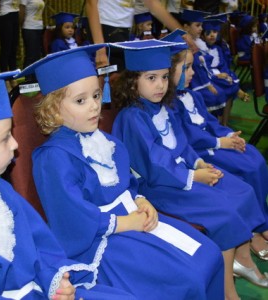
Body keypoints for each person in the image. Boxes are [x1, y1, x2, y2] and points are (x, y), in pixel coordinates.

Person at [17, 43, 225, 300]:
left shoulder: (104, 141)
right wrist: (126, 222)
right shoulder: (53, 157)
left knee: (208, 253)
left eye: (95, 95)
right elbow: (72, 218)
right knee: (185, 277)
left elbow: (127, 183)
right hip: (99, 241)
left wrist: (140, 199)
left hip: (131, 218)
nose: (94, 106)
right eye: (80, 100)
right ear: (52, 110)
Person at [110, 38, 268, 299]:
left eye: (163, 77)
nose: (160, 84)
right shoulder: (133, 117)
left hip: (182, 174)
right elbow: (154, 163)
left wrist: (198, 162)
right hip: (160, 187)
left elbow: (181, 143)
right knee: (224, 212)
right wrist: (193, 175)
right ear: (132, 82)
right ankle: (228, 290)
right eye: (151, 78)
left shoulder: (163, 107)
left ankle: (238, 260)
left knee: (239, 189)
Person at [0, 70, 137, 300]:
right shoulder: (50, 158)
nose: (16, 144)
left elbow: (40, 244)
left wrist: (55, 282)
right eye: (5, 137)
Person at [167, 34, 268, 263]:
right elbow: (189, 136)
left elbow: (210, 123)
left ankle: (261, 220)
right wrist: (220, 143)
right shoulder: (170, 105)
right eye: (188, 68)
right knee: (245, 168)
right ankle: (251, 233)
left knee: (254, 157)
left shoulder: (192, 95)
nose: (193, 73)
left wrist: (229, 134)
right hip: (200, 151)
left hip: (211, 142)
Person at [85, 0, 196, 70]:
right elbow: (91, 4)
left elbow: (154, 5)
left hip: (123, 32)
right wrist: (100, 49)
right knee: (109, 83)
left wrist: (183, 33)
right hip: (103, 30)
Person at [197, 18, 249, 125]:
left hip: (220, 74)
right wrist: (219, 75)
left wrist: (227, 75)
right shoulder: (200, 49)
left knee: (230, 78)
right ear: (202, 36)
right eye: (208, 33)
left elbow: (223, 66)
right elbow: (204, 69)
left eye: (215, 32)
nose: (212, 35)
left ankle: (224, 123)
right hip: (209, 76)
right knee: (228, 87)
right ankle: (237, 90)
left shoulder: (218, 49)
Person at [180, 9, 228, 118]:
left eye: (201, 26)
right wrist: (208, 84)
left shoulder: (197, 43)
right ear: (186, 27)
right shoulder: (183, 44)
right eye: (197, 25)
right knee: (213, 95)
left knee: (222, 90)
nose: (201, 29)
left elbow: (203, 63)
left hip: (200, 78)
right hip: (191, 83)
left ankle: (217, 125)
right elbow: (196, 66)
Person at [0, 0, 19, 89]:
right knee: (6, 47)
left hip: (15, 14)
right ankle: (5, 77)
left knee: (13, 47)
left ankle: (13, 76)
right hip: (4, 15)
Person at [19, 0, 45, 69]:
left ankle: (35, 75)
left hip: (39, 27)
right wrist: (23, 26)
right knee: (31, 54)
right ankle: (28, 77)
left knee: (37, 54)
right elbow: (21, 12)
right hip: (29, 28)